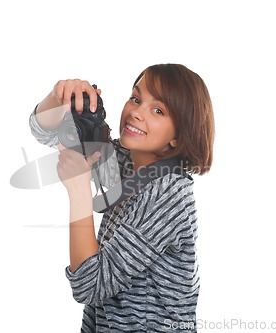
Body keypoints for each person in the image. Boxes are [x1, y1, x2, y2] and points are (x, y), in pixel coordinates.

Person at [29, 63, 215, 332]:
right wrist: (59, 98)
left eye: (158, 110)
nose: (136, 113)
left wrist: (79, 189)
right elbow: (43, 131)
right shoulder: (128, 161)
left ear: (178, 136)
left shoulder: (167, 194)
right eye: (136, 99)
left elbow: (89, 285)